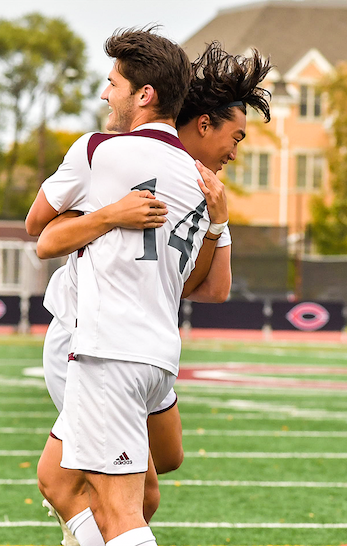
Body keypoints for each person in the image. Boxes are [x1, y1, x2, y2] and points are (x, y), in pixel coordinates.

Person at [28, 41, 271, 546]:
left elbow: (41, 232)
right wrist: (114, 217)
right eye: (237, 137)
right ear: (201, 123)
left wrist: (108, 216)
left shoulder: (103, 151)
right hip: (131, 346)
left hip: (104, 347)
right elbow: (202, 287)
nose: (235, 150)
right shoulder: (195, 184)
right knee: (128, 492)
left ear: (144, 94)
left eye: (112, 84)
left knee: (117, 504)